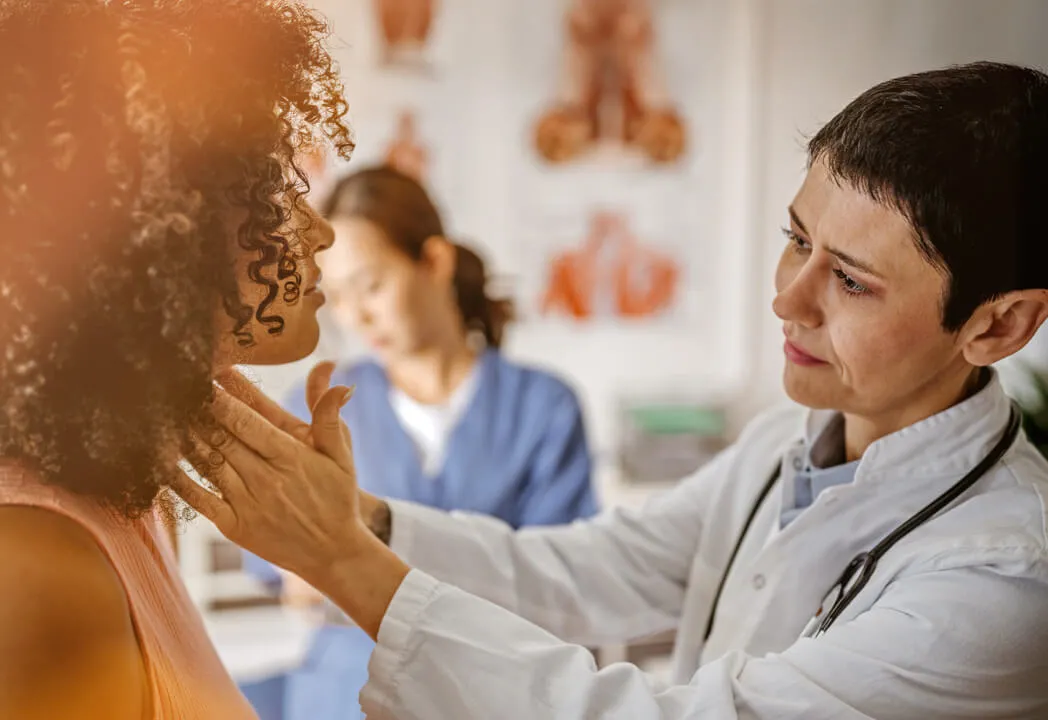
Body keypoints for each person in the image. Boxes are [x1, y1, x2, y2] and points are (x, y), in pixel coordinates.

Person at [177, 61, 1048, 719]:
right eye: (795, 240)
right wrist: (363, 520)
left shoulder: (1005, 583)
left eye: (851, 281)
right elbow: (578, 573)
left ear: (998, 326)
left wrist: (344, 562)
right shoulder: (782, 445)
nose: (787, 299)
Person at [0, 1, 353, 718]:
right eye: (272, 189)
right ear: (154, 232)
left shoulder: (123, 501)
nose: (320, 232)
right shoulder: (35, 566)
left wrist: (342, 544)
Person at [243, 165, 599, 720]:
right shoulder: (318, 406)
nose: (357, 316)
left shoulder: (542, 407)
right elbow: (283, 572)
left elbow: (559, 583)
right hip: (344, 695)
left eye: (371, 286)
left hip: (491, 696)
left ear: (434, 262)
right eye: (336, 296)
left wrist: (358, 562)